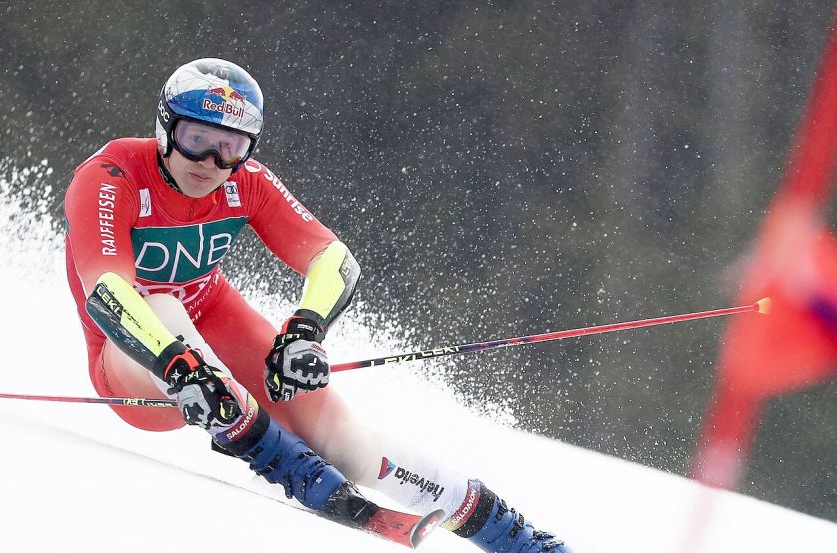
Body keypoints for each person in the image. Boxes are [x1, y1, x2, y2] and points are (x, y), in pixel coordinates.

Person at [64, 58, 571, 552]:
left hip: (213, 324)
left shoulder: (247, 183)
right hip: (130, 362)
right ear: (166, 127)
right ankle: (278, 457)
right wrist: (178, 365)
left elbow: (335, 259)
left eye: (230, 147)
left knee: (348, 448)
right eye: (197, 140)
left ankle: (510, 535)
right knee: (165, 307)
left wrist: (305, 330)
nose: (211, 164)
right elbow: (106, 293)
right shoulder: (113, 175)